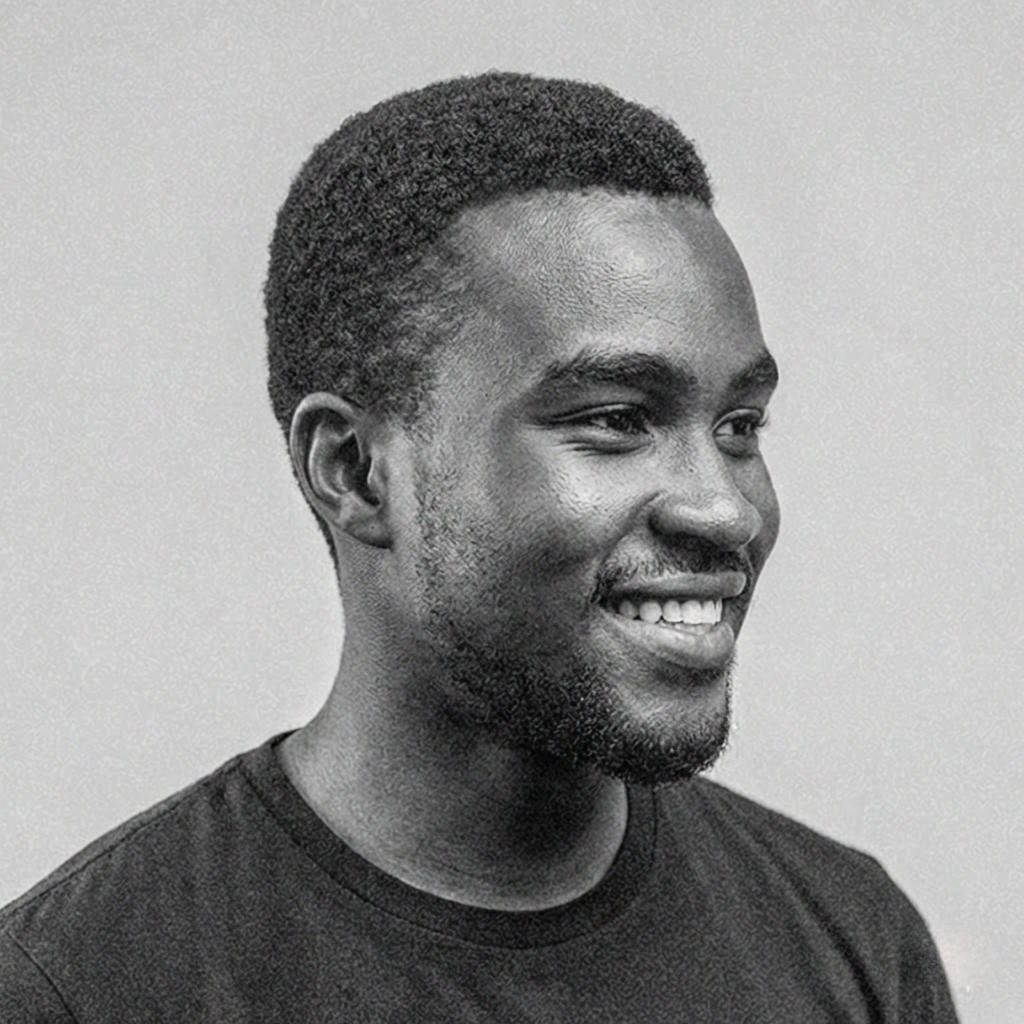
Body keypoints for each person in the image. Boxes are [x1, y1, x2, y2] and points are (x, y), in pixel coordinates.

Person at [0, 71, 958, 1022]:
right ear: (355, 471)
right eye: (619, 419)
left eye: (740, 426)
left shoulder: (851, 943)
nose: (727, 511)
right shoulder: (77, 988)